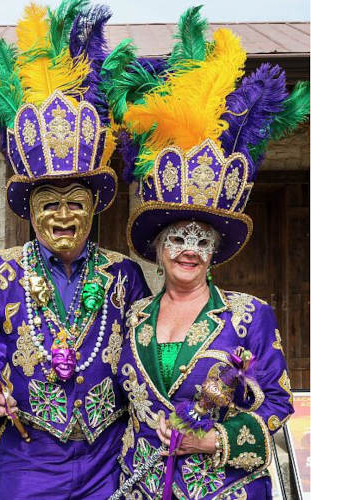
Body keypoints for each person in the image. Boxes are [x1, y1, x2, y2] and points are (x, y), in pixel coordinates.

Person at [0, 2, 151, 498]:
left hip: (107, 458)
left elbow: (146, 360)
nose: (62, 215)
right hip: (27, 454)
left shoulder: (124, 275)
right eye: (49, 204)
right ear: (29, 211)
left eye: (75, 202)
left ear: (94, 208)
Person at [103, 5, 310, 499]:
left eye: (202, 241)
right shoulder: (132, 316)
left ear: (215, 252)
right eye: (178, 238)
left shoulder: (248, 316)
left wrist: (212, 439)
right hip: (142, 488)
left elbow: (278, 404)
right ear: (158, 247)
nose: (189, 251)